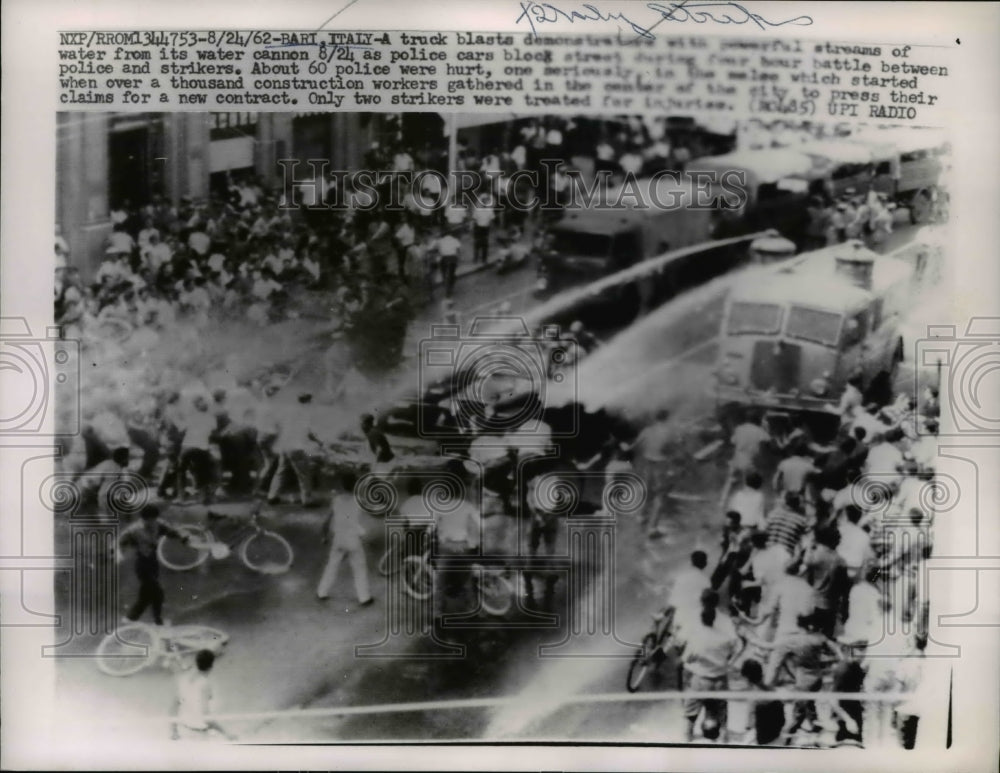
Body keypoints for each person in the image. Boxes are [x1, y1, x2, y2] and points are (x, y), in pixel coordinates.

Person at [764, 609, 844, 736]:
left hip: (804, 679)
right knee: (810, 703)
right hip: (818, 677)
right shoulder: (819, 637)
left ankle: (789, 731)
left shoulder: (794, 640)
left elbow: (773, 649)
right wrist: (840, 659)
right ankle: (813, 725)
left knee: (798, 707)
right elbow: (835, 648)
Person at [117, 504, 188, 626]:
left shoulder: (158, 523)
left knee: (146, 595)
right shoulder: (135, 530)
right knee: (157, 592)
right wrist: (119, 554)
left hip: (153, 562)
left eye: (154, 519)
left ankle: (131, 618)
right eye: (150, 519)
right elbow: (120, 541)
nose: (152, 522)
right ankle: (157, 621)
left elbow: (172, 531)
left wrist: (183, 537)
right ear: (144, 518)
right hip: (142, 564)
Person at [680, 604, 740, 742]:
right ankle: (722, 744)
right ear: (714, 619)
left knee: (690, 718)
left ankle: (686, 744)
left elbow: (686, 659)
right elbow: (734, 651)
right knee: (722, 719)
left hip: (700, 680)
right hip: (720, 681)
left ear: (701, 619)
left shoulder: (697, 638)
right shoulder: (725, 638)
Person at [316, 472, 373, 607]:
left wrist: (324, 536)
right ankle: (364, 597)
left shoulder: (336, 500)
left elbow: (326, 522)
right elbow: (373, 510)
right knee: (359, 568)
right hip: (353, 539)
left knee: (332, 565)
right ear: (355, 486)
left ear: (342, 485)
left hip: (339, 538)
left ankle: (322, 592)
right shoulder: (359, 500)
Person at [170, 649, 236, 741]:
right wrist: (226, 734)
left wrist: (174, 731)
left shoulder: (183, 680)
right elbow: (206, 716)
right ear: (211, 666)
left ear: (196, 662)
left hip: (183, 731)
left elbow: (174, 706)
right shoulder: (205, 684)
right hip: (198, 736)